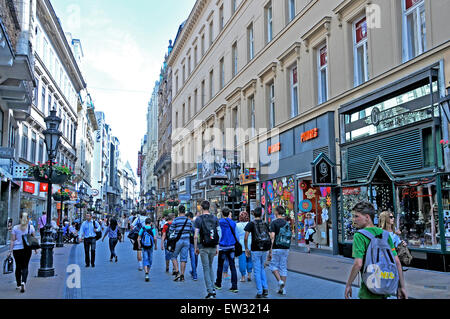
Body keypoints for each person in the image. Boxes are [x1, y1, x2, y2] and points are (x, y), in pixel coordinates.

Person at [345, 201, 407, 299]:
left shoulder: (359, 236)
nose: (354, 220)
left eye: (357, 216)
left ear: (367, 217)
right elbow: (397, 262)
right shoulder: (385, 235)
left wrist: (348, 284)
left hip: (368, 291)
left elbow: (358, 264)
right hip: (384, 287)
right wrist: (401, 287)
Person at [194, 200, 221, 299]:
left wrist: (195, 247)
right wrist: (217, 247)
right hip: (213, 246)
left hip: (203, 247)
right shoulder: (215, 218)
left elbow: (196, 236)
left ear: (201, 208)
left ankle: (210, 291)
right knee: (210, 267)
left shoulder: (198, 219)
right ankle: (213, 288)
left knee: (206, 268)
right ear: (209, 207)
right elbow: (218, 234)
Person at [244, 207, 271, 298]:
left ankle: (259, 291)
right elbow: (270, 237)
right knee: (262, 268)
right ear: (261, 214)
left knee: (257, 270)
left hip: (255, 248)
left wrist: (246, 248)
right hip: (265, 249)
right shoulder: (265, 224)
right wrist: (270, 251)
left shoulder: (251, 224)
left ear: (254, 214)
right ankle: (265, 289)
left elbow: (246, 237)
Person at [9, 212, 37, 293]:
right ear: (28, 219)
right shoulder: (30, 227)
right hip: (27, 249)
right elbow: (33, 239)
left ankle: (18, 284)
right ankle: (23, 282)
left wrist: (10, 251)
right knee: (25, 266)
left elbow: (12, 240)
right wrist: (35, 249)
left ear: (20, 218)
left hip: (17, 250)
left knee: (18, 266)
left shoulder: (15, 228)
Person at [214, 207, 238, 293]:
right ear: (229, 214)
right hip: (231, 246)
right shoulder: (233, 223)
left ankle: (218, 283)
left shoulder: (219, 222)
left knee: (220, 265)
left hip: (222, 246)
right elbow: (236, 235)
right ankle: (234, 286)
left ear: (222, 214)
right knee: (232, 266)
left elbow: (218, 234)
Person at [268, 206, 290, 295]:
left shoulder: (274, 223)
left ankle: (280, 281)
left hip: (276, 247)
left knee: (273, 266)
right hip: (285, 247)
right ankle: (283, 289)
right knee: (283, 267)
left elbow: (272, 237)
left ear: (277, 212)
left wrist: (270, 250)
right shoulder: (286, 223)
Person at [171, 205, 193, 282]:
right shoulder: (189, 220)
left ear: (179, 211)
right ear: (185, 211)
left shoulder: (176, 220)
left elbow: (171, 230)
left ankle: (177, 272)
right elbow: (191, 230)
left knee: (173, 256)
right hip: (186, 241)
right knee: (183, 258)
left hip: (178, 240)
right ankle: (182, 275)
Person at [138, 217, 157, 282]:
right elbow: (155, 238)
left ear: (145, 223)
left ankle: (146, 273)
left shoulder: (142, 229)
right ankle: (147, 272)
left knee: (145, 259)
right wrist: (156, 245)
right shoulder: (153, 229)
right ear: (151, 223)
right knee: (150, 260)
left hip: (144, 246)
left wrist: (139, 244)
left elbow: (138, 238)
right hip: (151, 247)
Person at [236, 211, 252, 282]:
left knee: (242, 261)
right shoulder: (250, 224)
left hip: (241, 245)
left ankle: (243, 277)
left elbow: (236, 236)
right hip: (250, 244)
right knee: (249, 260)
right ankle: (249, 275)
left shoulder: (237, 225)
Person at [186, 212, 198, 281]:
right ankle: (194, 271)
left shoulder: (189, 224)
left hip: (191, 242)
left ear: (189, 217)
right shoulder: (196, 223)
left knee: (193, 258)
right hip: (197, 242)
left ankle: (194, 274)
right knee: (195, 257)